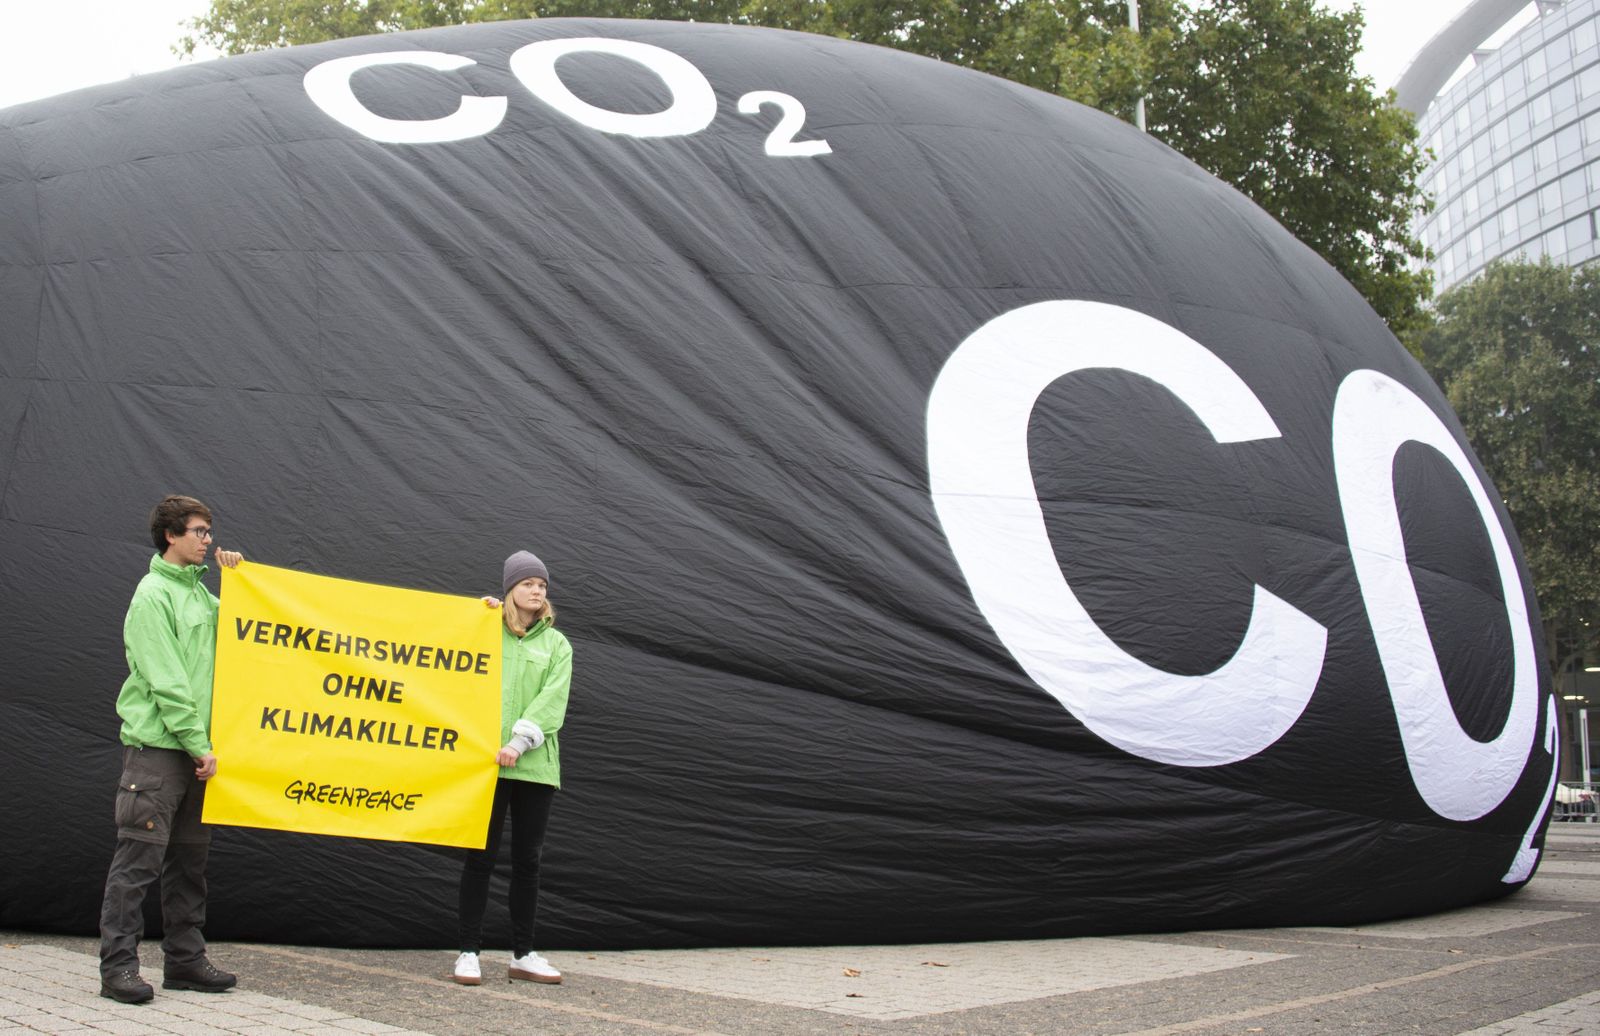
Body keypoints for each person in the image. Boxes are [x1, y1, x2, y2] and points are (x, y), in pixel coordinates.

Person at [99, 495, 244, 1004]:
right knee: (137, 865)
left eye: (208, 532)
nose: (208, 540)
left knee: (189, 865)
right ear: (171, 535)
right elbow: (168, 683)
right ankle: (118, 968)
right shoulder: (152, 596)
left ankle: (184, 961)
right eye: (200, 531)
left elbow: (252, 635)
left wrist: (241, 583)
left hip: (196, 754)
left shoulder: (202, 597)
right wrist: (199, 744)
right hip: (159, 753)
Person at [454, 550, 573, 986]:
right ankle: (468, 952)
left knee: (528, 861)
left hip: (534, 766)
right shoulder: (486, 630)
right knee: (479, 859)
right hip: (485, 764)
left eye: (542, 585)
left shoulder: (557, 644)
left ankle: (524, 953)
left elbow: (553, 700)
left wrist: (520, 742)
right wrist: (475, 614)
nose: (537, 590)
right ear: (510, 590)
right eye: (527, 584)